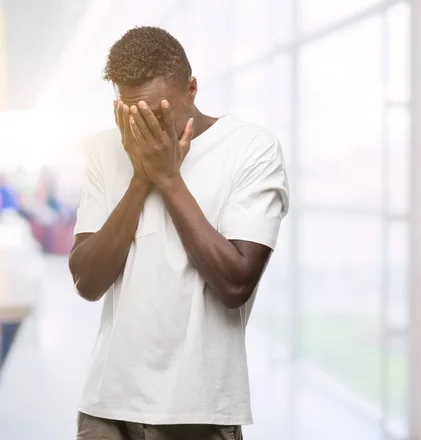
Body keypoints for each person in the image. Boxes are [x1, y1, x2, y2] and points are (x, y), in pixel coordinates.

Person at [68, 26, 289, 440]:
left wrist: (169, 178)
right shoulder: (104, 149)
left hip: (197, 410)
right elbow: (87, 281)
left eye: (158, 112)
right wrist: (140, 179)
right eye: (134, 115)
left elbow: (235, 283)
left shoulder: (252, 149)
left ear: (192, 88)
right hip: (106, 407)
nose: (146, 127)